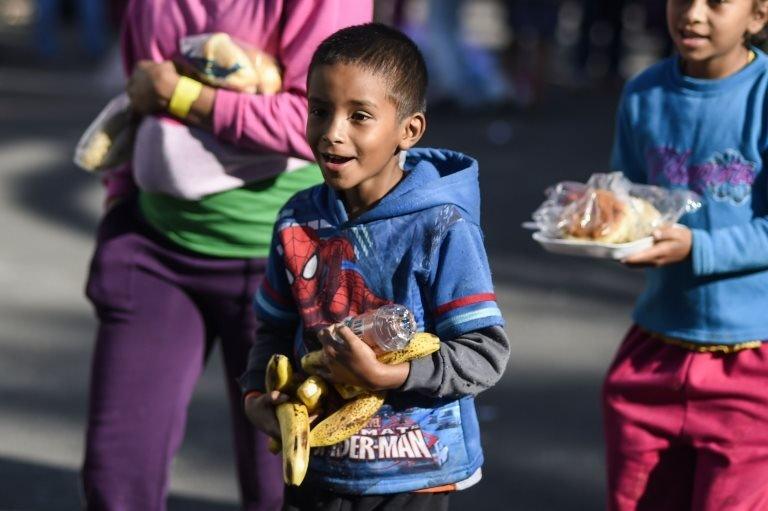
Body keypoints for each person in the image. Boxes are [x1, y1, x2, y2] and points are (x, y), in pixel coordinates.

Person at [81, 1, 372, 510]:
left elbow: (326, 118)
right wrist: (121, 199)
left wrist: (187, 96)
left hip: (288, 269)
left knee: (284, 488)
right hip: (156, 250)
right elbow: (141, 90)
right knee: (115, 480)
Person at [240, 23, 510, 511]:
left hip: (414, 478)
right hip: (316, 470)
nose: (331, 133)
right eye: (319, 110)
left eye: (359, 115)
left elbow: (484, 353)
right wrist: (260, 396)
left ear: (409, 130)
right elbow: (274, 330)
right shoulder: (297, 221)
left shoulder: (442, 226)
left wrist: (390, 377)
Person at [605, 0, 768, 509]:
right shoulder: (644, 92)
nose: (693, 13)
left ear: (758, 16)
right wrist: (606, 219)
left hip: (751, 361)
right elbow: (625, 198)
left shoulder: (762, 96)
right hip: (654, 351)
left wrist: (699, 247)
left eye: (717, 1)